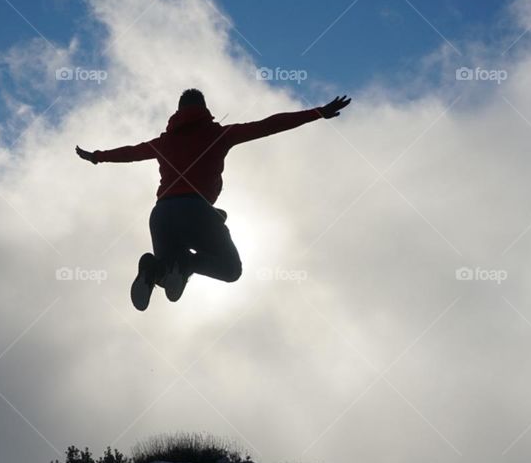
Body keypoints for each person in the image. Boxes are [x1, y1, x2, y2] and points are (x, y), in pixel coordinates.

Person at [76, 88, 351, 310]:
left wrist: (97, 156)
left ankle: (152, 267)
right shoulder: (218, 134)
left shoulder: (163, 142)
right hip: (195, 209)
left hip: (161, 215)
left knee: (168, 272)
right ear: (204, 109)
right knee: (230, 269)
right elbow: (267, 126)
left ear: (178, 112)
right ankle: (187, 265)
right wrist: (317, 113)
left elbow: (131, 152)